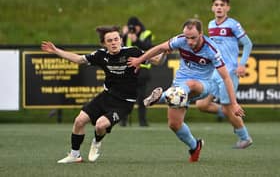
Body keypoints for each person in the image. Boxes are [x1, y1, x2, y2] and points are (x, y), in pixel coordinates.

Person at [128, 18, 245, 162]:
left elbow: (226, 77)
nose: (189, 41)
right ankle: (195, 146)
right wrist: (139, 60)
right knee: (174, 124)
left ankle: (162, 97)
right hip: (179, 86)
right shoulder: (181, 40)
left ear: (201, 34)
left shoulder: (211, 50)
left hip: (202, 85)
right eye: (187, 37)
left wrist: (233, 103)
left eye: (193, 38)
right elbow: (160, 48)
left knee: (190, 84)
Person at [41, 26, 145, 163]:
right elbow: (79, 59)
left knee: (100, 126)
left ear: (121, 40)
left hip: (125, 102)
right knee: (79, 121)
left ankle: (96, 142)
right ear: (104, 44)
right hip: (106, 96)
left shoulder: (133, 52)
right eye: (109, 41)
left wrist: (163, 53)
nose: (113, 43)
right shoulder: (101, 55)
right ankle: (75, 155)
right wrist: (56, 50)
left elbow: (156, 59)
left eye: (116, 39)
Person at [195, 0, 253, 149]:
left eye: (222, 5)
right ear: (212, 7)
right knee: (202, 104)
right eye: (217, 5)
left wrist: (242, 64)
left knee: (228, 107)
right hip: (215, 71)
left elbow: (248, 44)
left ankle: (245, 137)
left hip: (229, 72)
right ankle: (232, 117)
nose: (219, 7)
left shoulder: (233, 24)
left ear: (228, 8)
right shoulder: (211, 25)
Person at [120, 16, 154, 127]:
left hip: (143, 70)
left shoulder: (146, 33)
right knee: (125, 95)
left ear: (139, 26)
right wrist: (123, 35)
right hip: (130, 69)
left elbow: (148, 47)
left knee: (141, 98)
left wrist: (137, 40)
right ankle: (123, 120)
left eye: (134, 27)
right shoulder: (128, 35)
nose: (133, 30)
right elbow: (120, 47)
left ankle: (142, 121)